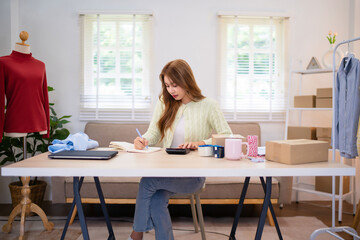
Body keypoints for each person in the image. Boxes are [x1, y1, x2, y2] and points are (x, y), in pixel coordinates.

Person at [128, 59, 232, 240]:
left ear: (187, 80)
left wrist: (201, 143)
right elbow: (154, 131)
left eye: (174, 85)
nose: (171, 90)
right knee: (157, 199)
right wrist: (144, 140)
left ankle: (136, 235)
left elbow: (228, 137)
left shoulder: (209, 105)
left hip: (193, 176)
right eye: (167, 85)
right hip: (166, 171)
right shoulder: (164, 102)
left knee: (147, 182)